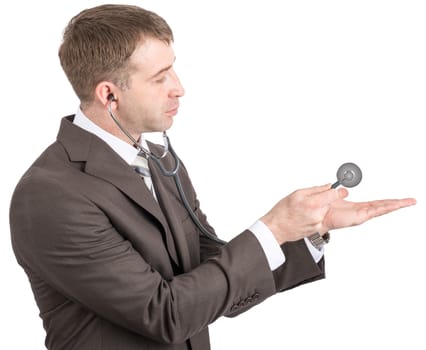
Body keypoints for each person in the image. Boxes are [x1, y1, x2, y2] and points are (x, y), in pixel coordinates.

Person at [9, 4, 416, 350]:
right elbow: (165, 313)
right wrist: (272, 229)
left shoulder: (158, 161)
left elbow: (217, 283)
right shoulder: (50, 195)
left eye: (174, 70)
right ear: (109, 95)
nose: (179, 88)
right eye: (159, 77)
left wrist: (307, 230)